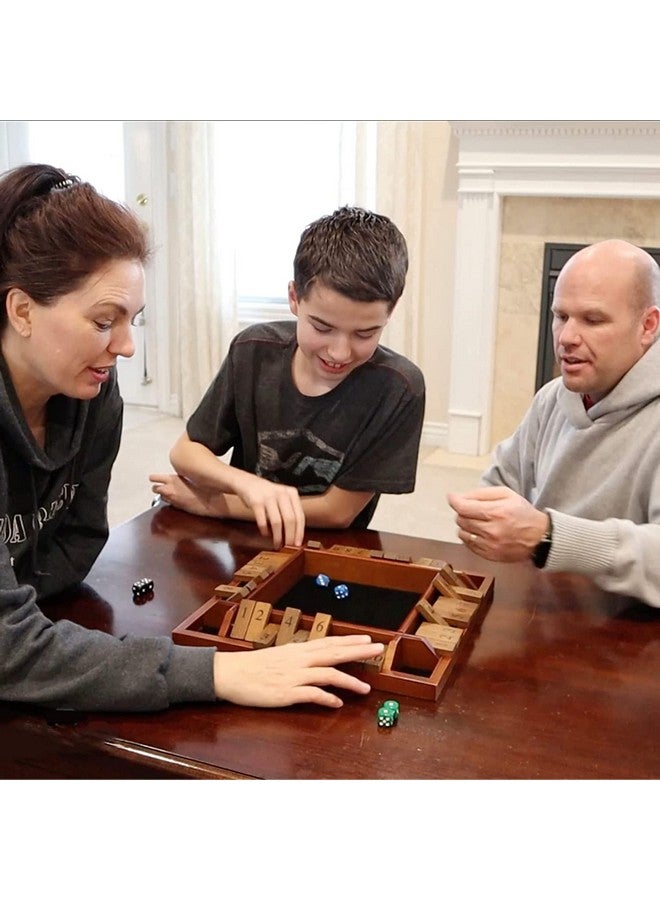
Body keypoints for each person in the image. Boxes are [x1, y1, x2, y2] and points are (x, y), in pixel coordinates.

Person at [0, 163, 384, 713]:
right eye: (105, 321)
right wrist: (218, 671)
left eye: (134, 319)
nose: (127, 347)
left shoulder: (94, 397)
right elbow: (9, 649)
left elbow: (81, 538)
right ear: (22, 310)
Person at [150, 206, 426, 549]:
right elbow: (186, 452)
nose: (339, 352)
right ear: (294, 298)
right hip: (246, 544)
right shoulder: (253, 350)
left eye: (365, 334)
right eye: (322, 327)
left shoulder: (399, 389)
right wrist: (249, 486)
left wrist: (217, 504)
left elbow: (338, 513)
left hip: (331, 552)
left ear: (391, 312)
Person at [447, 238, 660, 608]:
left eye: (593, 320)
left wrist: (547, 537)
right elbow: (502, 483)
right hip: (543, 612)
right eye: (560, 316)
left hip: (631, 641)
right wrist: (486, 517)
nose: (566, 338)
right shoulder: (552, 397)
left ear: (648, 325)